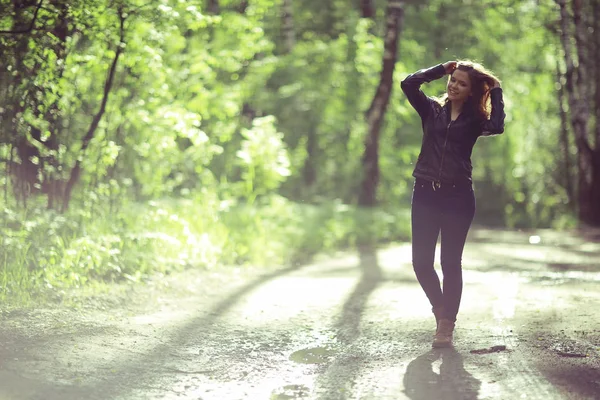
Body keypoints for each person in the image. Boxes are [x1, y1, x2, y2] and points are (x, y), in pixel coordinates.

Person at [400, 60, 505, 348]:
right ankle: (440, 311)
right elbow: (408, 83)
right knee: (421, 263)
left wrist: (495, 90)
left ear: (471, 91)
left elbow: (497, 126)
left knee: (450, 262)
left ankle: (446, 326)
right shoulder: (431, 110)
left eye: (461, 83)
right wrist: (441, 69)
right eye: (453, 80)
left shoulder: (474, 120)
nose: (454, 85)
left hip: (458, 196)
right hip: (425, 192)